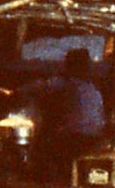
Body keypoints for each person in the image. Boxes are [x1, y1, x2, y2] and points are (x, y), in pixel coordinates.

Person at [31, 46, 107, 177]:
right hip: (95, 136)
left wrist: (13, 92)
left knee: (43, 143)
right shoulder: (93, 88)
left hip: (75, 137)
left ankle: (44, 180)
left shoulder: (66, 83)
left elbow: (38, 87)